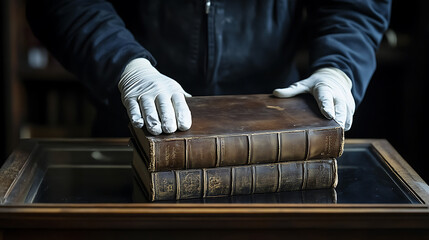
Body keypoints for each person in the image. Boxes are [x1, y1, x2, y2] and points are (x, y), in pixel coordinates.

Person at [26, 0, 391, 136]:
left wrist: (339, 68)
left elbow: (354, 6)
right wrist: (126, 66)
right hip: (132, 120)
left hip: (270, 127)